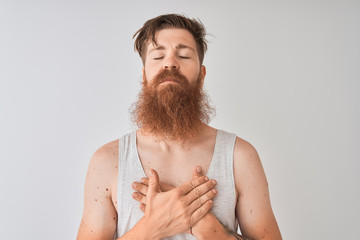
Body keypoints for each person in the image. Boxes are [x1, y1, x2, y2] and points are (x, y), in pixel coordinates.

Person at [77, 14, 282, 240]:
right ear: (144, 76)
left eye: (183, 55)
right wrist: (152, 227)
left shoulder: (240, 156)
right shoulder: (107, 160)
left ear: (201, 75)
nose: (170, 63)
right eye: (158, 56)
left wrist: (208, 227)